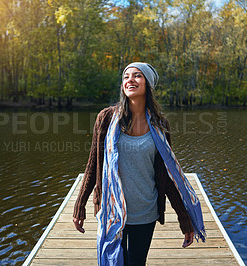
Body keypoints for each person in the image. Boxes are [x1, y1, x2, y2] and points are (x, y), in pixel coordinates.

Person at [73, 62, 205, 266]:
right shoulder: (106, 119)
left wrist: (183, 217)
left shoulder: (160, 125)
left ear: (148, 85)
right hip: (111, 210)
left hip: (145, 211)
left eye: (137, 76)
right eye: (126, 76)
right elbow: (93, 165)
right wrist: (80, 204)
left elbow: (165, 175)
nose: (130, 80)